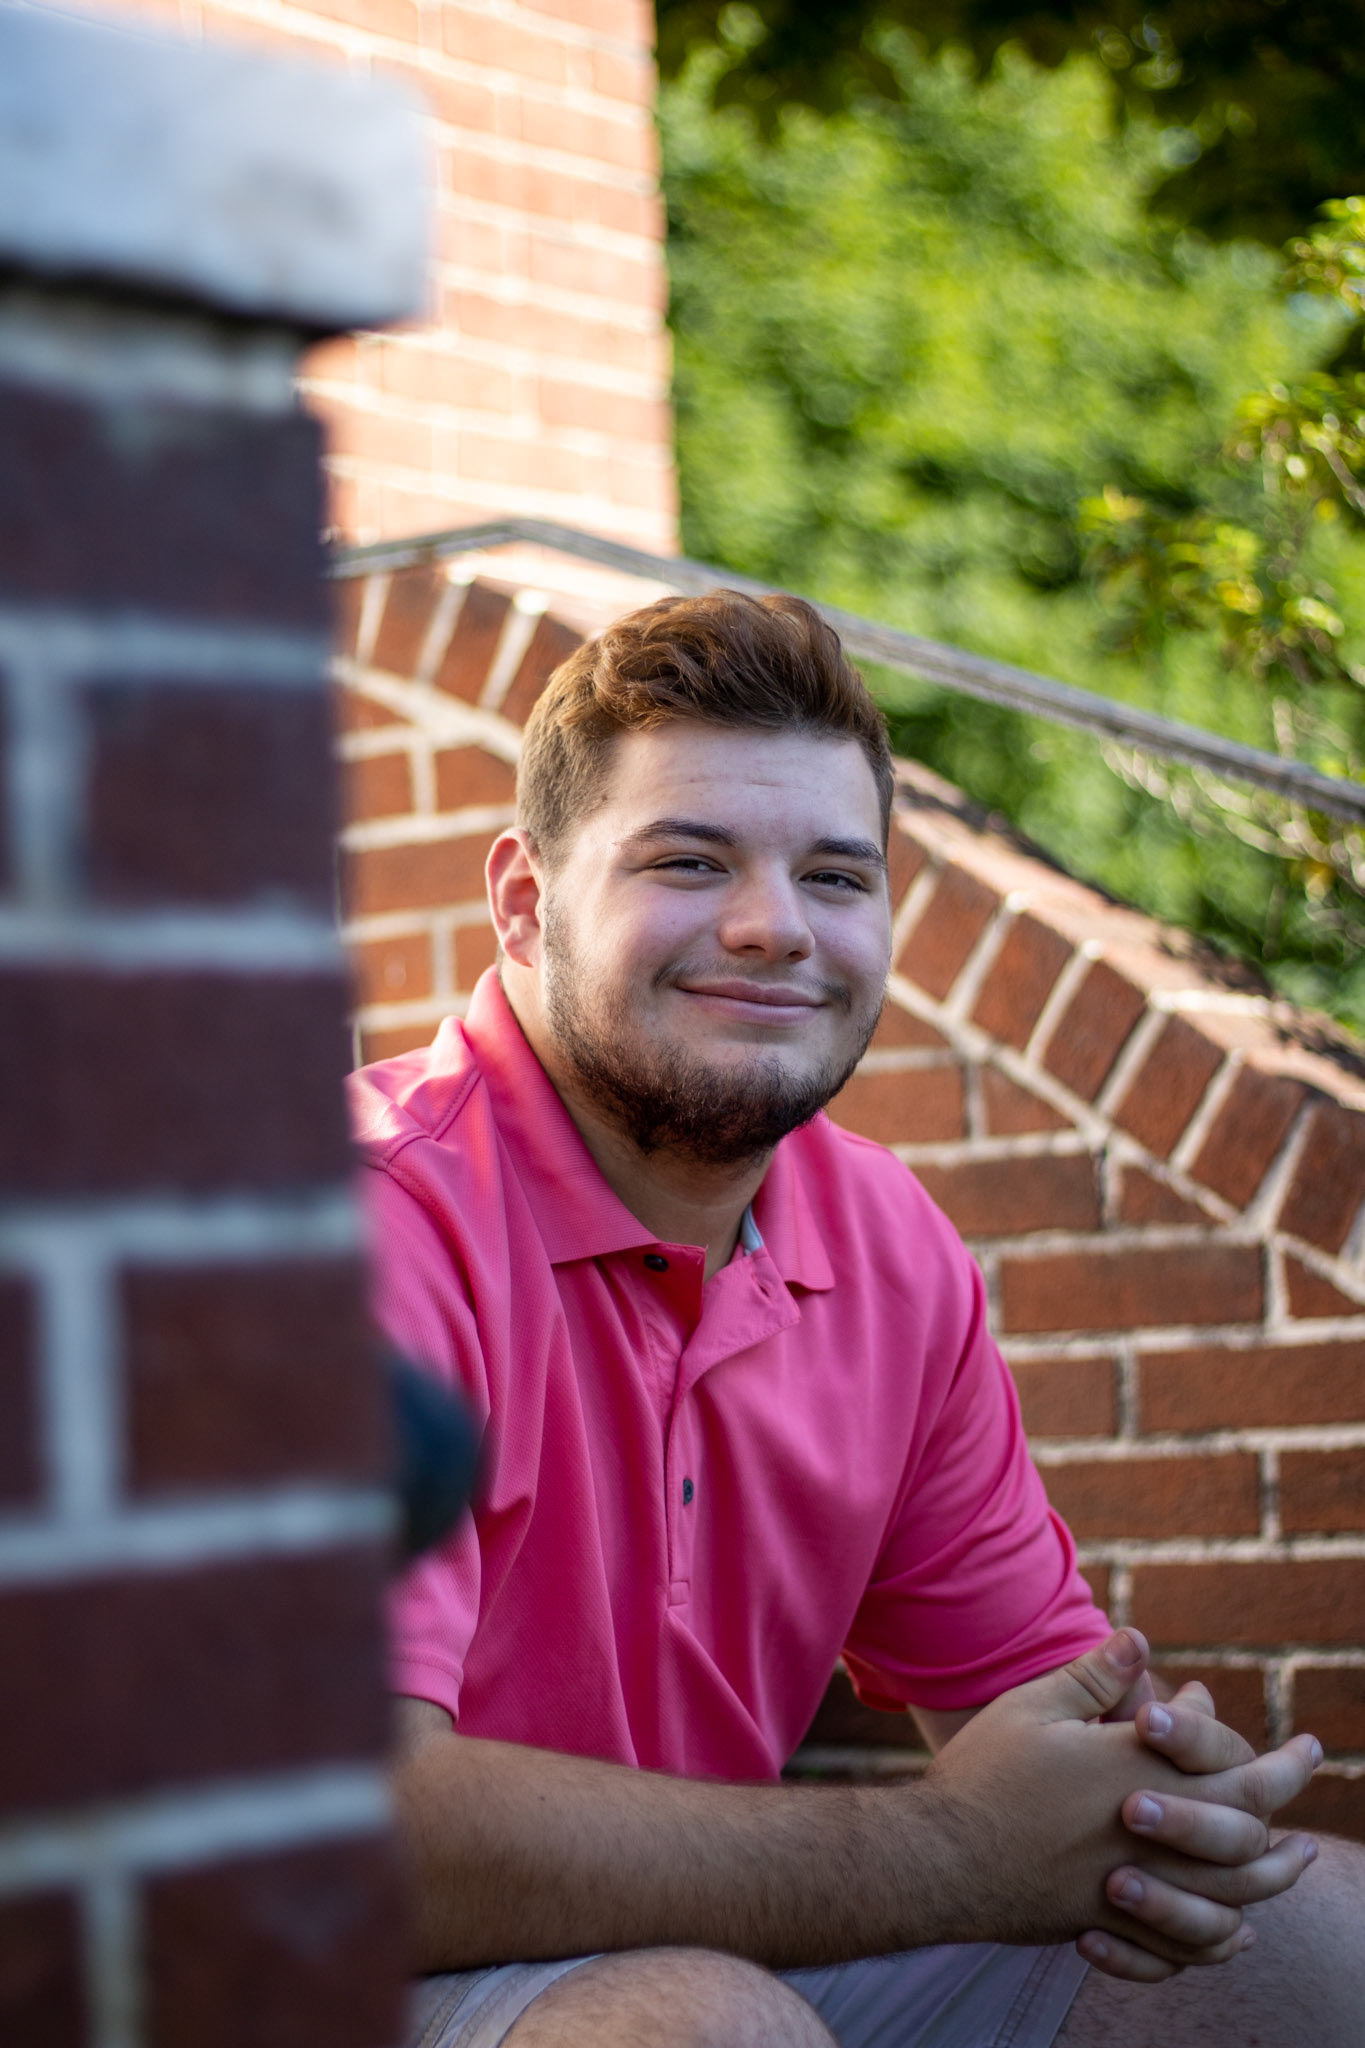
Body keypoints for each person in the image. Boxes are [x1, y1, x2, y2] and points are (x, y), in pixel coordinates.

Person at [351, 591, 1364, 2048]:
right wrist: (945, 1851)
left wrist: (1147, 1796)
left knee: (1310, 1932)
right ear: (523, 900)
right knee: (702, 2029)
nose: (774, 929)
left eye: (835, 875)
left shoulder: (886, 1241)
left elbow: (1032, 1720)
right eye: (689, 860)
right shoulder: (360, 1229)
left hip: (700, 1951)